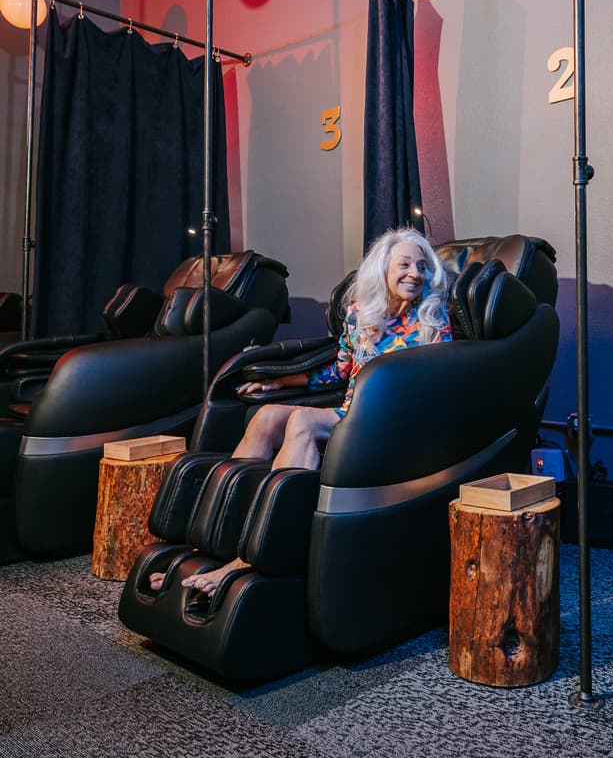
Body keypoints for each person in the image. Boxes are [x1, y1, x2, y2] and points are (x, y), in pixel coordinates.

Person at [149, 227, 452, 595]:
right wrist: (281, 384)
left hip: (385, 424)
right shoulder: (360, 316)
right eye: (405, 264)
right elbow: (338, 371)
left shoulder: (432, 323)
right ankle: (216, 543)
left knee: (302, 421)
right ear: (383, 269)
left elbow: (438, 386)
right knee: (268, 415)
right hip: (348, 414)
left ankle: (250, 557)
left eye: (422, 266)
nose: (415, 273)